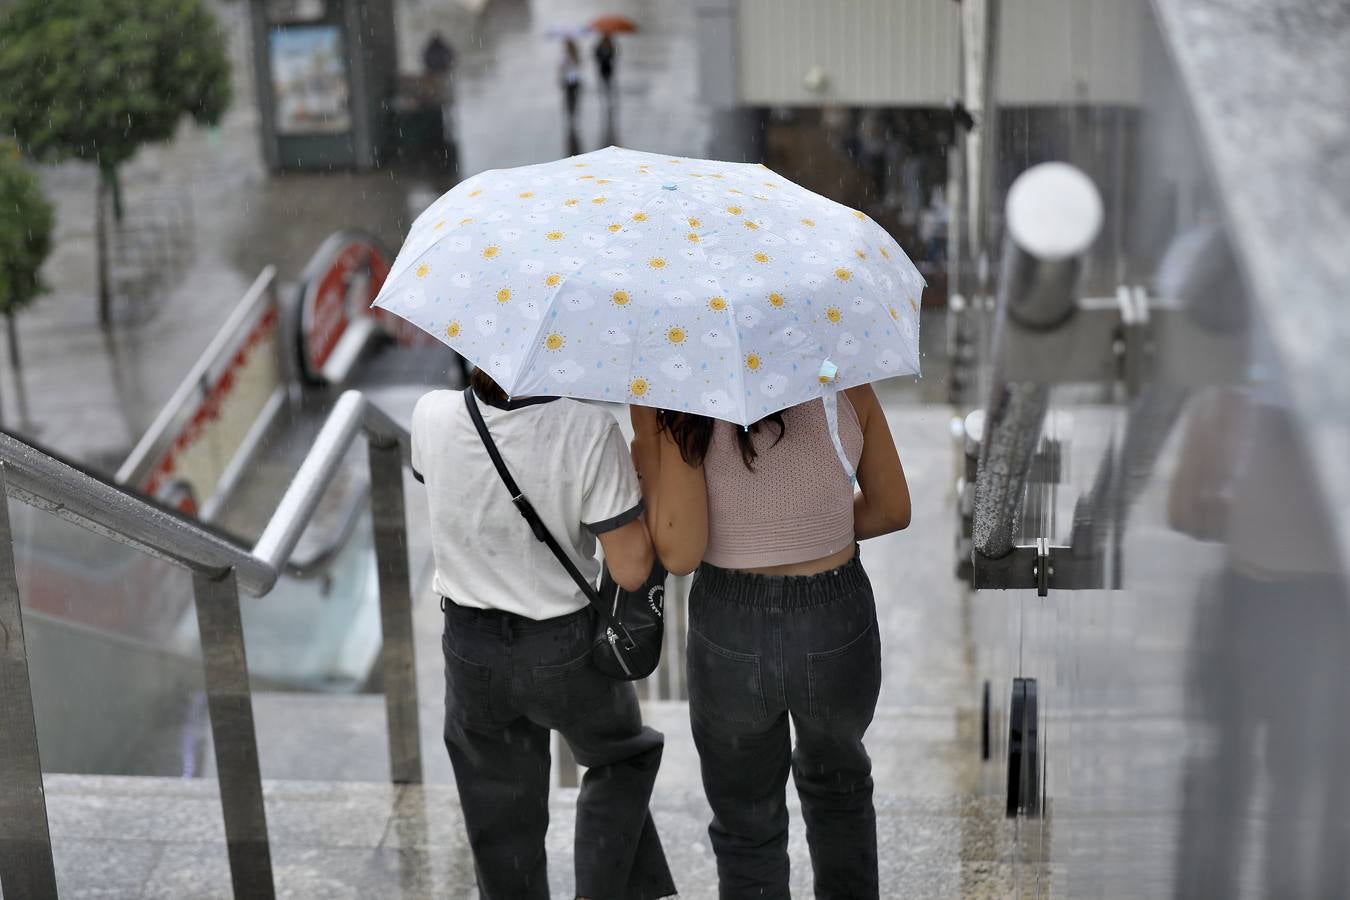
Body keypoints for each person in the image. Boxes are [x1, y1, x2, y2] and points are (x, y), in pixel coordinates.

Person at [630, 385, 911, 899]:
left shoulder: (690, 404)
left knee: (746, 819)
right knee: (840, 793)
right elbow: (892, 509)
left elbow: (681, 553)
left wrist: (650, 437)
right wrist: (817, 529)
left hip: (731, 626)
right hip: (835, 615)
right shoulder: (845, 384)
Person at [412, 367, 676, 900]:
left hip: (470, 648)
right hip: (565, 648)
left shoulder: (431, 414)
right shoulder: (586, 429)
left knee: (497, 804)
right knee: (622, 757)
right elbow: (628, 569)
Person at [560, 38, 582, 126]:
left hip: (570, 79)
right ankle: (572, 111)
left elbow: (561, 68)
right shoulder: (573, 55)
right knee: (573, 96)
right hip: (574, 79)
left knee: (570, 96)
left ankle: (571, 112)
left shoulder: (568, 56)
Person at [594, 34, 618, 98]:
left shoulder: (611, 47)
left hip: (608, 67)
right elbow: (596, 55)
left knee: (608, 82)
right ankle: (604, 94)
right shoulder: (599, 47)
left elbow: (614, 55)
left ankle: (608, 94)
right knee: (603, 81)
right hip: (602, 67)